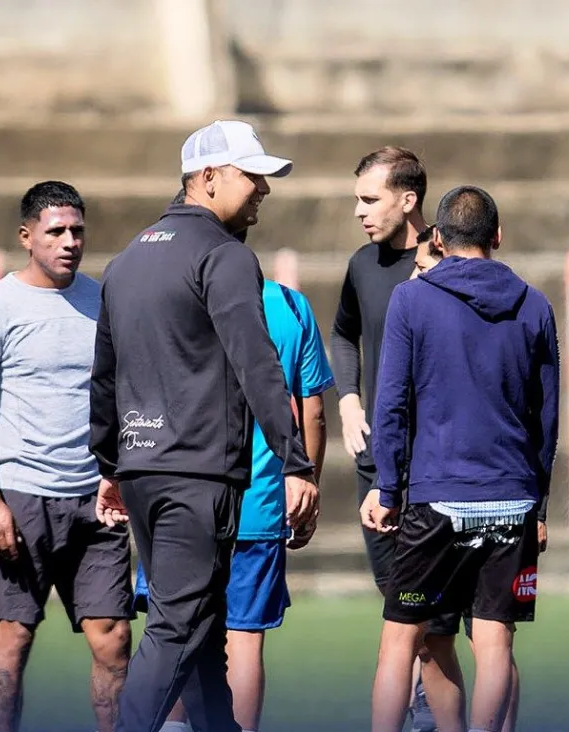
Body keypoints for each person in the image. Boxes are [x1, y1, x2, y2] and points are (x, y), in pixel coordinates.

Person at [89, 119, 319, 732]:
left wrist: (109, 465)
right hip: (197, 474)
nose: (264, 191)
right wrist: (296, 462)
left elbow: (104, 379)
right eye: (253, 177)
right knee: (177, 628)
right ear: (208, 178)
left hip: (140, 470)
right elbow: (258, 365)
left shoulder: (126, 260)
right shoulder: (224, 255)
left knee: (202, 632)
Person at [133, 190, 334, 732]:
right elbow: (311, 412)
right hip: (260, 503)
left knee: (173, 627)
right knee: (243, 635)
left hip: (180, 495)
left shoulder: (170, 296)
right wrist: (307, 482)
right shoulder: (290, 308)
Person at [363, 185, 560, 732]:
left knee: (401, 639)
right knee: (494, 640)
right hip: (512, 496)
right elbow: (546, 418)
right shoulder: (535, 303)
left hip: (437, 499)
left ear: (440, 240)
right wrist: (538, 506)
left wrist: (387, 488)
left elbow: (392, 402)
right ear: (497, 236)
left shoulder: (412, 298)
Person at [0, 181, 133, 732]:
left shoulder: (102, 299)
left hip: (96, 499)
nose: (69, 241)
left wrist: (118, 472)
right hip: (23, 497)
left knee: (115, 637)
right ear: (27, 237)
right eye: (56, 231)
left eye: (77, 230)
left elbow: (120, 394)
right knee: (15, 636)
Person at [331, 146, 463, 731]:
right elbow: (342, 335)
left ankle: (433, 715)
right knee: (397, 607)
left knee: (441, 630)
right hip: (378, 465)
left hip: (440, 466)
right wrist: (349, 398)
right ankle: (417, 713)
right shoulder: (362, 265)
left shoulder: (453, 257)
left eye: (369, 199)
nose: (359, 211)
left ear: (408, 200)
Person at [409, 224, 541, 732]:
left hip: (444, 498)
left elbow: (539, 412)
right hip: (478, 492)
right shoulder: (409, 299)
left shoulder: (421, 305)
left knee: (485, 639)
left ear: (442, 244)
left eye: (426, 267)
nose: (422, 277)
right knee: (443, 637)